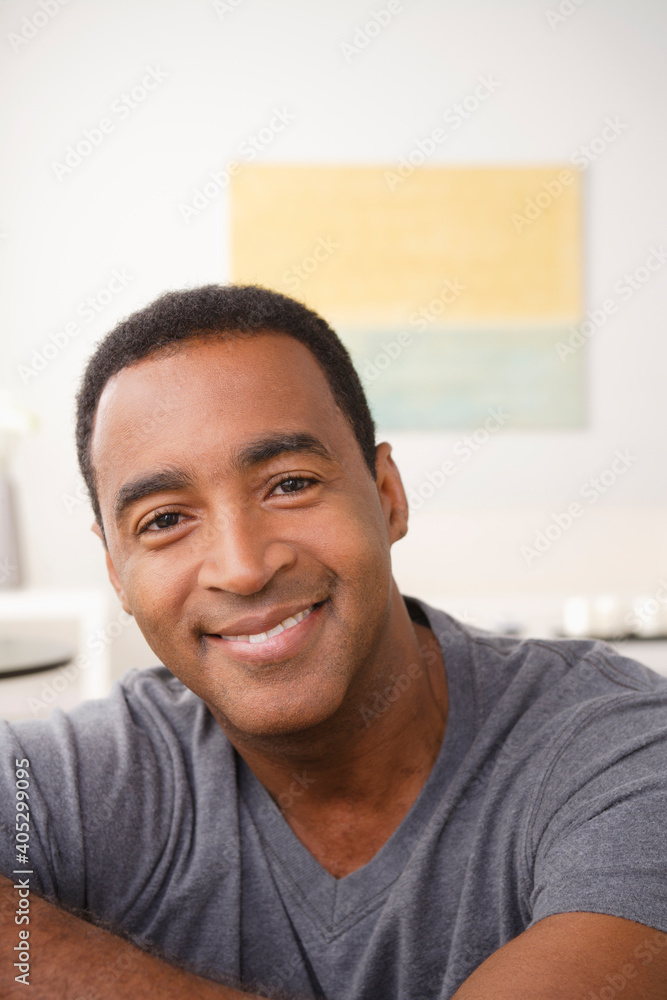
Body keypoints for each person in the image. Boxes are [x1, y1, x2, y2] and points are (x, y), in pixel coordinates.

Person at [1, 284, 666, 1000]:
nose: (243, 567)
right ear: (116, 573)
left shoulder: (621, 749)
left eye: (290, 484)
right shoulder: (76, 781)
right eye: (164, 520)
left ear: (387, 496)